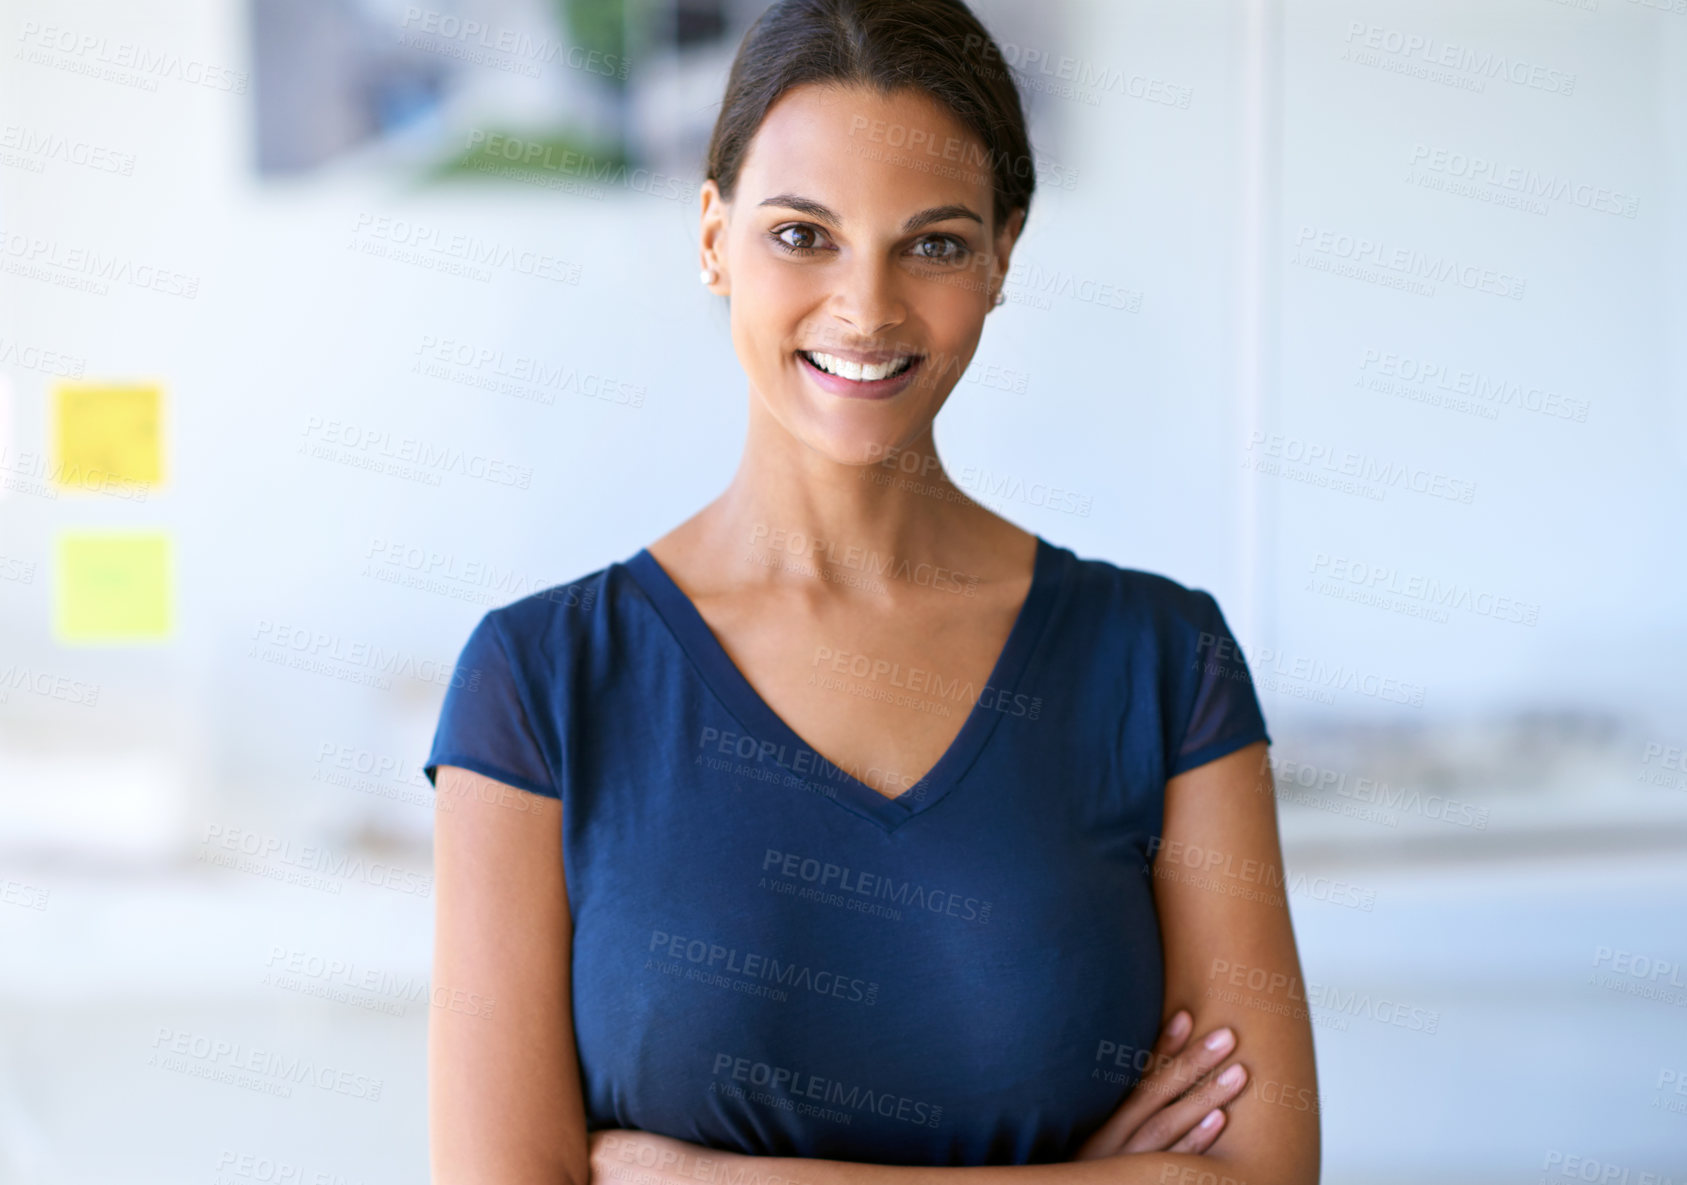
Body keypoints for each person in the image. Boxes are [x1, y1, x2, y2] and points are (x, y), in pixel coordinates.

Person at [424, 1, 1319, 1182]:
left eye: (935, 243)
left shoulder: (1164, 665)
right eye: (803, 235)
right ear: (712, 237)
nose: (867, 307)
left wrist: (701, 1176)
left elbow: (1256, 1175)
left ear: (1003, 256)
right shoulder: (539, 685)